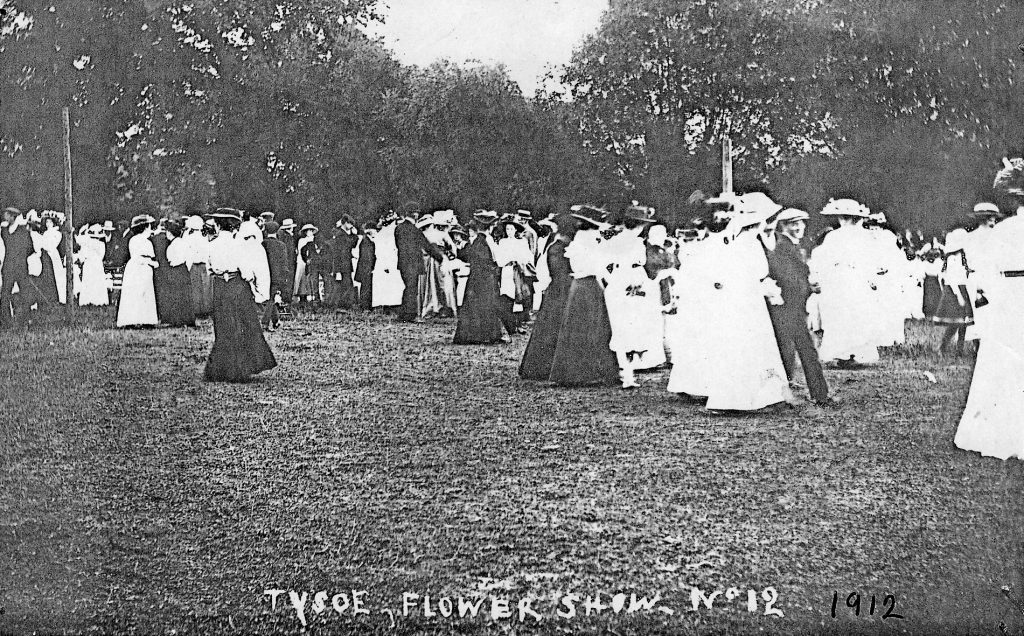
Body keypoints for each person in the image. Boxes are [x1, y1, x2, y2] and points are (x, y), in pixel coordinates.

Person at [953, 198, 1024, 460]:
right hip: (1010, 293)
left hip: (1006, 296)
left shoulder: (1003, 231)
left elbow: (984, 274)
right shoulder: (1002, 231)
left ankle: (999, 429)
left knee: (1003, 360)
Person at [766, 209, 833, 406]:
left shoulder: (792, 246)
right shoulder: (782, 247)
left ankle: (811, 393)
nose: (798, 228)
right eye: (793, 224)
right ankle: (815, 394)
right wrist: (808, 288)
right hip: (788, 307)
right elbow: (788, 279)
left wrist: (808, 287)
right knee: (797, 351)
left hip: (793, 306)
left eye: (801, 224)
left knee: (795, 351)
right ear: (783, 226)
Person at [548, 205, 620, 386]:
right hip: (588, 284)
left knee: (579, 327)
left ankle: (577, 372)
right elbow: (598, 267)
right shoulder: (588, 241)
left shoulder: (579, 240)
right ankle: (588, 372)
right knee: (593, 327)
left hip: (579, 285)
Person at [203, 208, 277, 382]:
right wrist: (253, 285)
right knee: (242, 324)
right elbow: (247, 272)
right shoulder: (239, 245)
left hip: (220, 286)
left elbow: (210, 268)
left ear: (220, 226)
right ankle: (239, 369)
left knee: (223, 326)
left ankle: (221, 369)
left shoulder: (212, 244)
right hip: (237, 285)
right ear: (234, 226)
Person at [519, 213, 576, 380]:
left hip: (558, 289)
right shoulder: (559, 247)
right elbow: (558, 272)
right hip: (561, 288)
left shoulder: (559, 245)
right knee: (555, 326)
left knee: (551, 326)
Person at [452, 211, 506, 344]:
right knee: (484, 304)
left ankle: (481, 334)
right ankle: (482, 335)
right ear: (489, 227)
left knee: (479, 304)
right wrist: (493, 268)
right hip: (484, 277)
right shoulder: (483, 241)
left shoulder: (479, 241)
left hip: (479, 276)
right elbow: (485, 260)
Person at [395, 207, 444, 322]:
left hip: (403, 263)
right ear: (415, 215)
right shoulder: (415, 230)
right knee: (412, 289)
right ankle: (410, 315)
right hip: (413, 263)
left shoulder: (398, 228)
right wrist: (440, 258)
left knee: (408, 287)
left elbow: (399, 246)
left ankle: (403, 314)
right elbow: (426, 246)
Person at [116, 214, 160, 328]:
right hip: (139, 268)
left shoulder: (136, 240)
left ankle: (143, 320)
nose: (151, 228)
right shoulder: (143, 241)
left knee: (141, 293)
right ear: (145, 227)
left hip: (138, 268)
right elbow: (139, 257)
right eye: (149, 226)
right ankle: (136, 320)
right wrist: (152, 263)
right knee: (139, 293)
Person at [1, 207, 33, 326]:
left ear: (13, 216)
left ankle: (25, 319)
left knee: (24, 292)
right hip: (8, 267)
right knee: (5, 294)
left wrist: (20, 257)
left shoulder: (23, 231)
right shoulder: (4, 231)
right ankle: (5, 320)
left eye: (7, 215)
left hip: (20, 267)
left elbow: (29, 248)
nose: (5, 217)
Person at [161, 221, 197, 327]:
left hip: (175, 270)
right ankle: (186, 319)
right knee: (184, 295)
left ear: (170, 233)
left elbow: (170, 259)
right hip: (183, 270)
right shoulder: (182, 243)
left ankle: (177, 320)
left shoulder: (173, 245)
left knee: (175, 294)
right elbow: (189, 258)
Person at [261, 221, 290, 330]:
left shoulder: (263, 244)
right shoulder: (282, 245)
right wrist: (285, 276)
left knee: (270, 297)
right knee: (272, 297)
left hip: (266, 273)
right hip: (277, 275)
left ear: (266, 231)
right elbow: (284, 263)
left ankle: (275, 321)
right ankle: (266, 322)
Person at [75, 224, 110, 307]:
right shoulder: (102, 244)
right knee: (97, 281)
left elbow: (82, 257)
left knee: (88, 281)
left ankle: (87, 300)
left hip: (89, 264)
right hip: (97, 264)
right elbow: (102, 256)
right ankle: (98, 300)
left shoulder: (86, 244)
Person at [355, 223, 377, 310]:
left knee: (366, 287)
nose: (375, 232)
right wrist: (370, 267)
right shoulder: (366, 242)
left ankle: (366, 305)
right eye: (374, 230)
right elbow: (367, 257)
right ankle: (365, 306)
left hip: (366, 267)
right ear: (369, 231)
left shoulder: (366, 241)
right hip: (366, 268)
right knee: (366, 287)